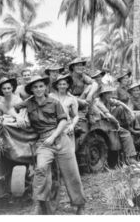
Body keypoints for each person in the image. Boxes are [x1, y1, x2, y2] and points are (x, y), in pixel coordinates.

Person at [14, 75, 86, 215]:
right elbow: (12, 108)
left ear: (46, 87)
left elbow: (64, 121)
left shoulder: (54, 102)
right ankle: (38, 203)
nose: (39, 89)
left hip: (60, 138)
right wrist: (17, 116)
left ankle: (79, 204)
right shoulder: (28, 103)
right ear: (31, 90)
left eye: (41, 86)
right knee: (40, 169)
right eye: (35, 87)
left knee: (71, 172)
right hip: (43, 141)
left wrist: (53, 136)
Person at [93, 86, 138, 164]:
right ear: (103, 94)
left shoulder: (107, 100)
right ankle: (130, 157)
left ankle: (127, 125)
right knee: (125, 133)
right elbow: (108, 116)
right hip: (103, 122)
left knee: (120, 107)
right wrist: (117, 123)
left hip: (108, 120)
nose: (110, 95)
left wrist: (130, 111)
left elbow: (119, 102)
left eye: (111, 93)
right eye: (108, 94)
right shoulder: (99, 102)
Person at [50, 74, 79, 152]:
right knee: (54, 151)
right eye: (60, 84)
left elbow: (76, 116)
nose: (62, 86)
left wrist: (72, 125)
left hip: (67, 128)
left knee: (69, 152)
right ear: (57, 86)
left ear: (67, 85)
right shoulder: (51, 97)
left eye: (64, 84)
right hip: (53, 127)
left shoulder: (72, 99)